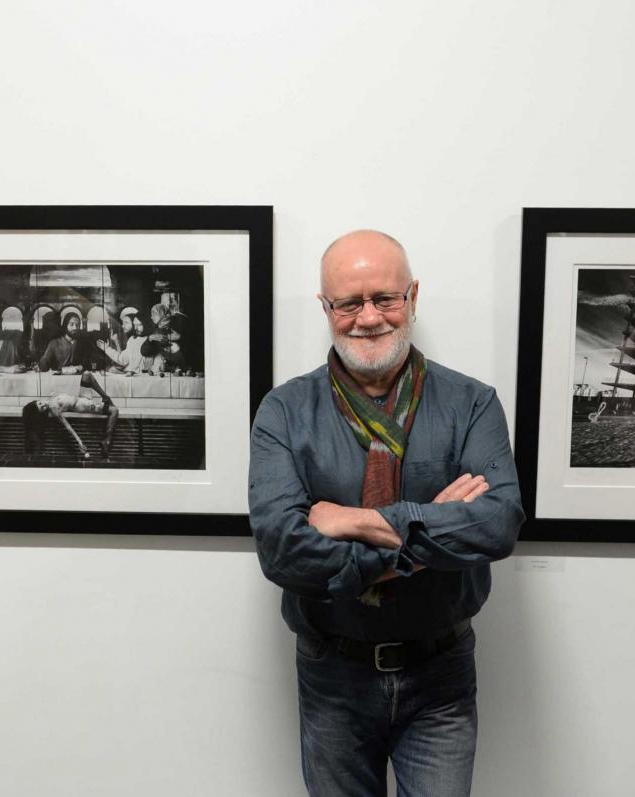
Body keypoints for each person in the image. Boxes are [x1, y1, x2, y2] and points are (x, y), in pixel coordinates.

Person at [249, 230, 524, 796]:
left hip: (441, 674)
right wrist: (431, 529)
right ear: (326, 308)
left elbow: (498, 522)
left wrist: (351, 522)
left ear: (413, 297)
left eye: (385, 298)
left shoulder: (472, 404)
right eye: (349, 302)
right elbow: (281, 549)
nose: (369, 317)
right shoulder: (284, 411)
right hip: (332, 674)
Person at [21, 372, 120, 460]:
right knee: (114, 411)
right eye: (42, 408)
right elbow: (67, 426)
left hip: (82, 397)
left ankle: (106, 398)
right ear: (43, 412)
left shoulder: (50, 399)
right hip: (84, 405)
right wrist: (80, 442)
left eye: (40, 403)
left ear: (37, 401)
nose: (43, 405)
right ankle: (106, 441)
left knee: (86, 375)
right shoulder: (53, 409)